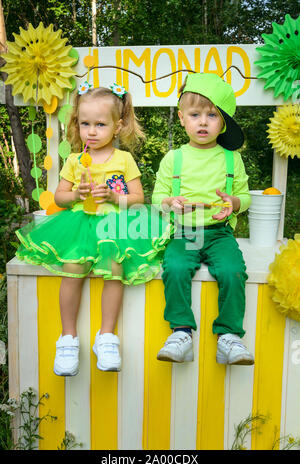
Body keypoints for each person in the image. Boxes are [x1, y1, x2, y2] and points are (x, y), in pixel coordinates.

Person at [16, 84, 171, 376]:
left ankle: (107, 337)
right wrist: (76, 194)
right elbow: (59, 197)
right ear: (77, 124)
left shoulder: (123, 160)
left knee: (115, 269)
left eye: (100, 124)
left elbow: (139, 199)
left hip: (116, 225)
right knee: (73, 268)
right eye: (85, 123)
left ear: (117, 126)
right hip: (80, 225)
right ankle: (68, 338)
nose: (92, 131)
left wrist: (115, 197)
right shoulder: (75, 160)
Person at [152, 72, 254, 366]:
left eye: (212, 115)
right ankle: (181, 332)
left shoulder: (231, 158)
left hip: (220, 233)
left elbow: (245, 197)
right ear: (182, 118)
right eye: (195, 114)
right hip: (186, 232)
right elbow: (157, 199)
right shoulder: (174, 158)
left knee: (234, 271)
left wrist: (234, 203)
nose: (203, 122)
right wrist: (171, 203)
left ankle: (229, 337)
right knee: (175, 266)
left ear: (223, 123)